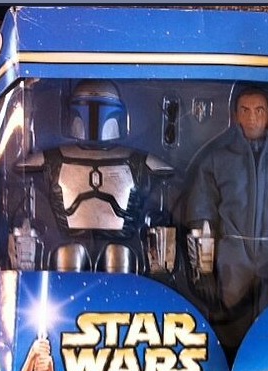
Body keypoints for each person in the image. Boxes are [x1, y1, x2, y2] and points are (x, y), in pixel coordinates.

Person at [185, 84, 268, 362]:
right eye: (245, 111)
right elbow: (202, 216)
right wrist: (203, 270)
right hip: (232, 257)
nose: (252, 118)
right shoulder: (217, 160)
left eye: (259, 111)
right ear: (235, 115)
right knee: (229, 330)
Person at [12, 79, 176, 277]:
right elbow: (20, 168)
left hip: (119, 247)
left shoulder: (138, 160)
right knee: (71, 258)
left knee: (117, 257)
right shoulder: (52, 158)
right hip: (73, 246)